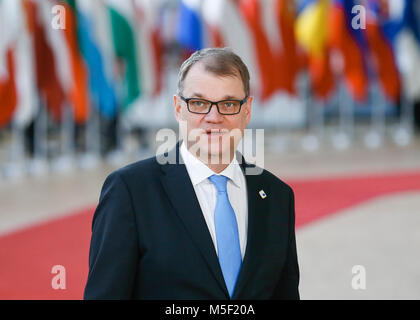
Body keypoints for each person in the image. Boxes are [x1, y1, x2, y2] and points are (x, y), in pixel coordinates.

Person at [83, 48, 299, 300]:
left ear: (247, 111)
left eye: (228, 104)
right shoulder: (130, 192)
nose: (213, 117)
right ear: (178, 108)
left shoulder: (277, 196)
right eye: (199, 103)